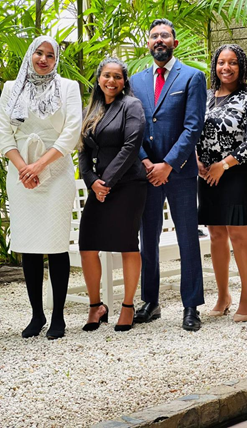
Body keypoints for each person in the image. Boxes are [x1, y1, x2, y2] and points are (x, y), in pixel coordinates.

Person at [0, 36, 82, 339]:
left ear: (55, 59)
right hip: (20, 173)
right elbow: (3, 134)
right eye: (39, 52)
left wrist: (39, 166)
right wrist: (24, 167)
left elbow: (71, 132)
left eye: (50, 54)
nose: (43, 59)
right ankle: (37, 316)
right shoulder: (11, 89)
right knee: (29, 245)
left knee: (56, 244)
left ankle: (58, 317)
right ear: (31, 55)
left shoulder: (68, 87)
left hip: (56, 170)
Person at [130, 18, 207, 331]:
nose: (159, 40)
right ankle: (150, 302)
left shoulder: (192, 77)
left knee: (188, 238)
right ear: (148, 44)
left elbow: (193, 127)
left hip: (181, 173)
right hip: (146, 173)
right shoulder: (134, 82)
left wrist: (168, 165)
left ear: (174, 42)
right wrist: (148, 163)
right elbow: (130, 127)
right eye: (154, 36)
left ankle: (191, 307)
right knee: (147, 239)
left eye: (165, 35)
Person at [79, 57, 147, 332]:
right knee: (87, 246)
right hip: (99, 187)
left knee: (128, 245)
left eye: (117, 77)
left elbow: (132, 146)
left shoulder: (132, 105)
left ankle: (128, 306)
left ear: (124, 81)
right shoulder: (91, 109)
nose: (111, 81)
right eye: (107, 75)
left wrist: (106, 181)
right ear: (98, 78)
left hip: (129, 184)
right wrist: (92, 181)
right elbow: (83, 150)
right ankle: (96, 306)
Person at [197, 44, 247, 322]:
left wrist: (223, 164)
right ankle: (223, 295)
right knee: (216, 235)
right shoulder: (206, 97)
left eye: (232, 62)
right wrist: (198, 160)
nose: (226, 67)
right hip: (208, 174)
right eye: (221, 62)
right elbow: (192, 130)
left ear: (241, 66)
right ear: (215, 66)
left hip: (237, 172)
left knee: (238, 233)